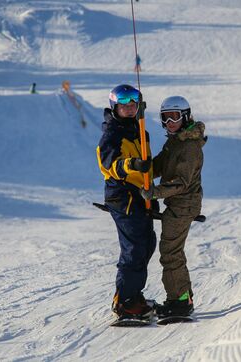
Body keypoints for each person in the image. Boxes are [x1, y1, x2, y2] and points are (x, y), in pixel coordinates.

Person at [140, 96, 206, 318]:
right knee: (172, 251)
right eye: (165, 118)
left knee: (170, 252)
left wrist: (155, 192)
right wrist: (141, 169)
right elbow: (159, 165)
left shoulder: (189, 146)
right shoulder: (175, 141)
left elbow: (181, 182)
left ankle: (179, 302)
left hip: (183, 204)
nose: (170, 122)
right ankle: (182, 297)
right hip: (177, 203)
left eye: (174, 117)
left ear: (185, 117)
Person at [96, 84, 157, 319]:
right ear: (115, 108)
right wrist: (132, 165)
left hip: (140, 195)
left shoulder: (140, 131)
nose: (130, 110)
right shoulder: (112, 133)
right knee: (134, 248)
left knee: (146, 243)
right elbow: (108, 164)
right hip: (123, 196)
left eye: (133, 105)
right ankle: (124, 302)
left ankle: (133, 295)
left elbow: (148, 166)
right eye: (124, 106)